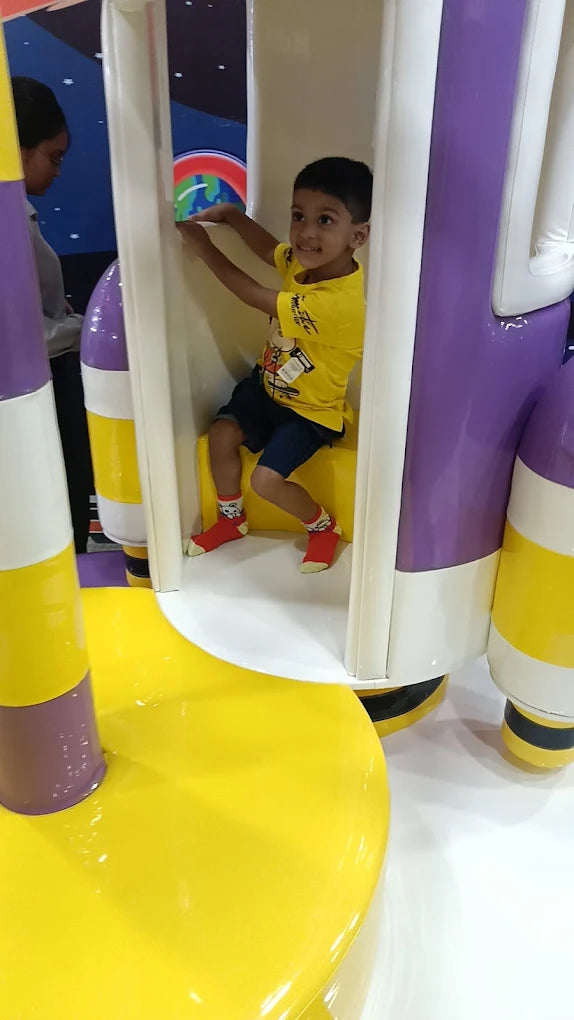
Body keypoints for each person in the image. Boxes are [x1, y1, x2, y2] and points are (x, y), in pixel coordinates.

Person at [178, 156, 372, 573]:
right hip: (269, 387)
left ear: (358, 235)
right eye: (299, 216)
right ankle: (232, 519)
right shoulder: (306, 265)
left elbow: (251, 293)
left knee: (265, 481)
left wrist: (204, 247)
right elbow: (269, 250)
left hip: (310, 412)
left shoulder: (338, 304)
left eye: (325, 220)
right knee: (221, 433)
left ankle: (322, 527)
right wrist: (233, 216)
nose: (306, 232)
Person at [12, 76, 93, 552]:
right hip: (32, 393)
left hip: (46, 382)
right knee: (58, 511)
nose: (58, 172)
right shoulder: (8, 220)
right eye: (53, 157)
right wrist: (88, 330)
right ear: (18, 150)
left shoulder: (17, 212)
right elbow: (21, 338)